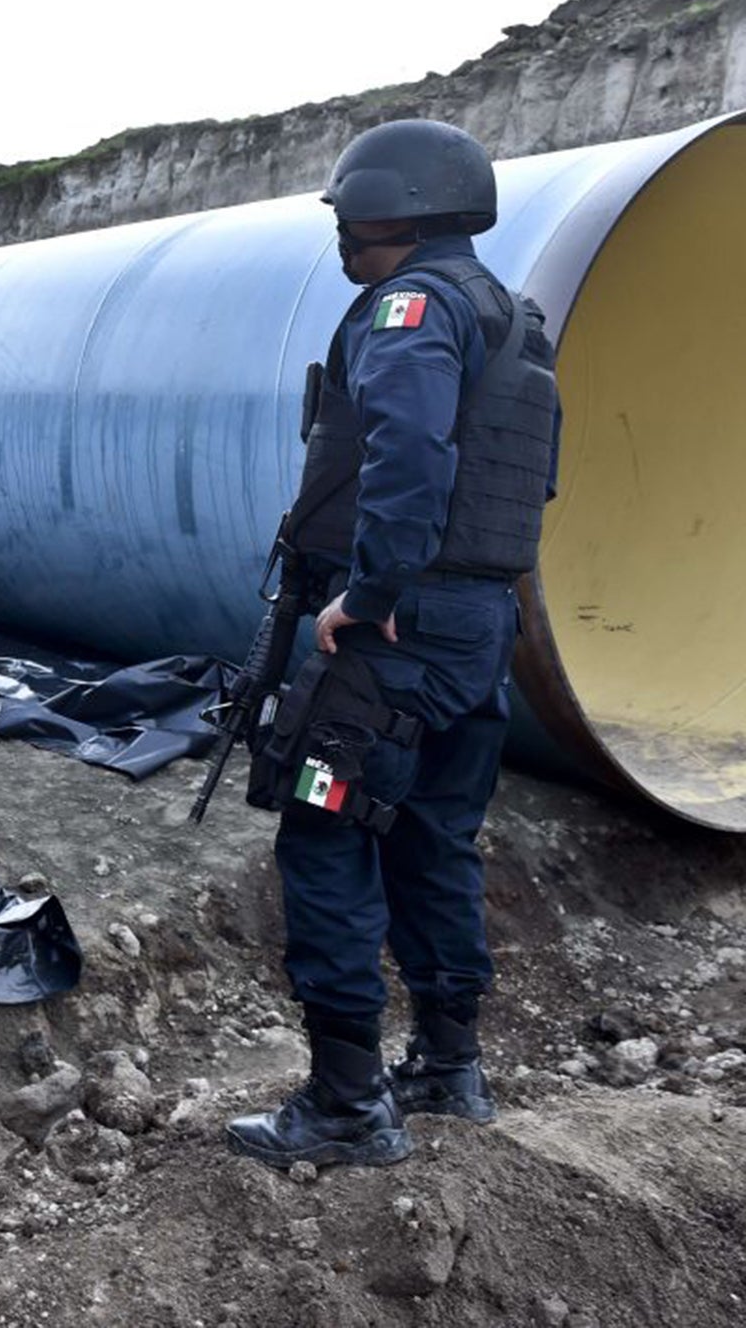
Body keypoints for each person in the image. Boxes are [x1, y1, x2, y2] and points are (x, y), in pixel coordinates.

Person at [226, 120, 560, 1169]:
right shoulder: (512, 314)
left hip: (393, 633)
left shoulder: (408, 310)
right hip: (474, 630)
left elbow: (408, 450)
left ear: (388, 207)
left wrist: (365, 595)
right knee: (432, 841)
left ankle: (340, 1105)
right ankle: (447, 1069)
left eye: (343, 208)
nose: (334, 225)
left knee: (324, 839)